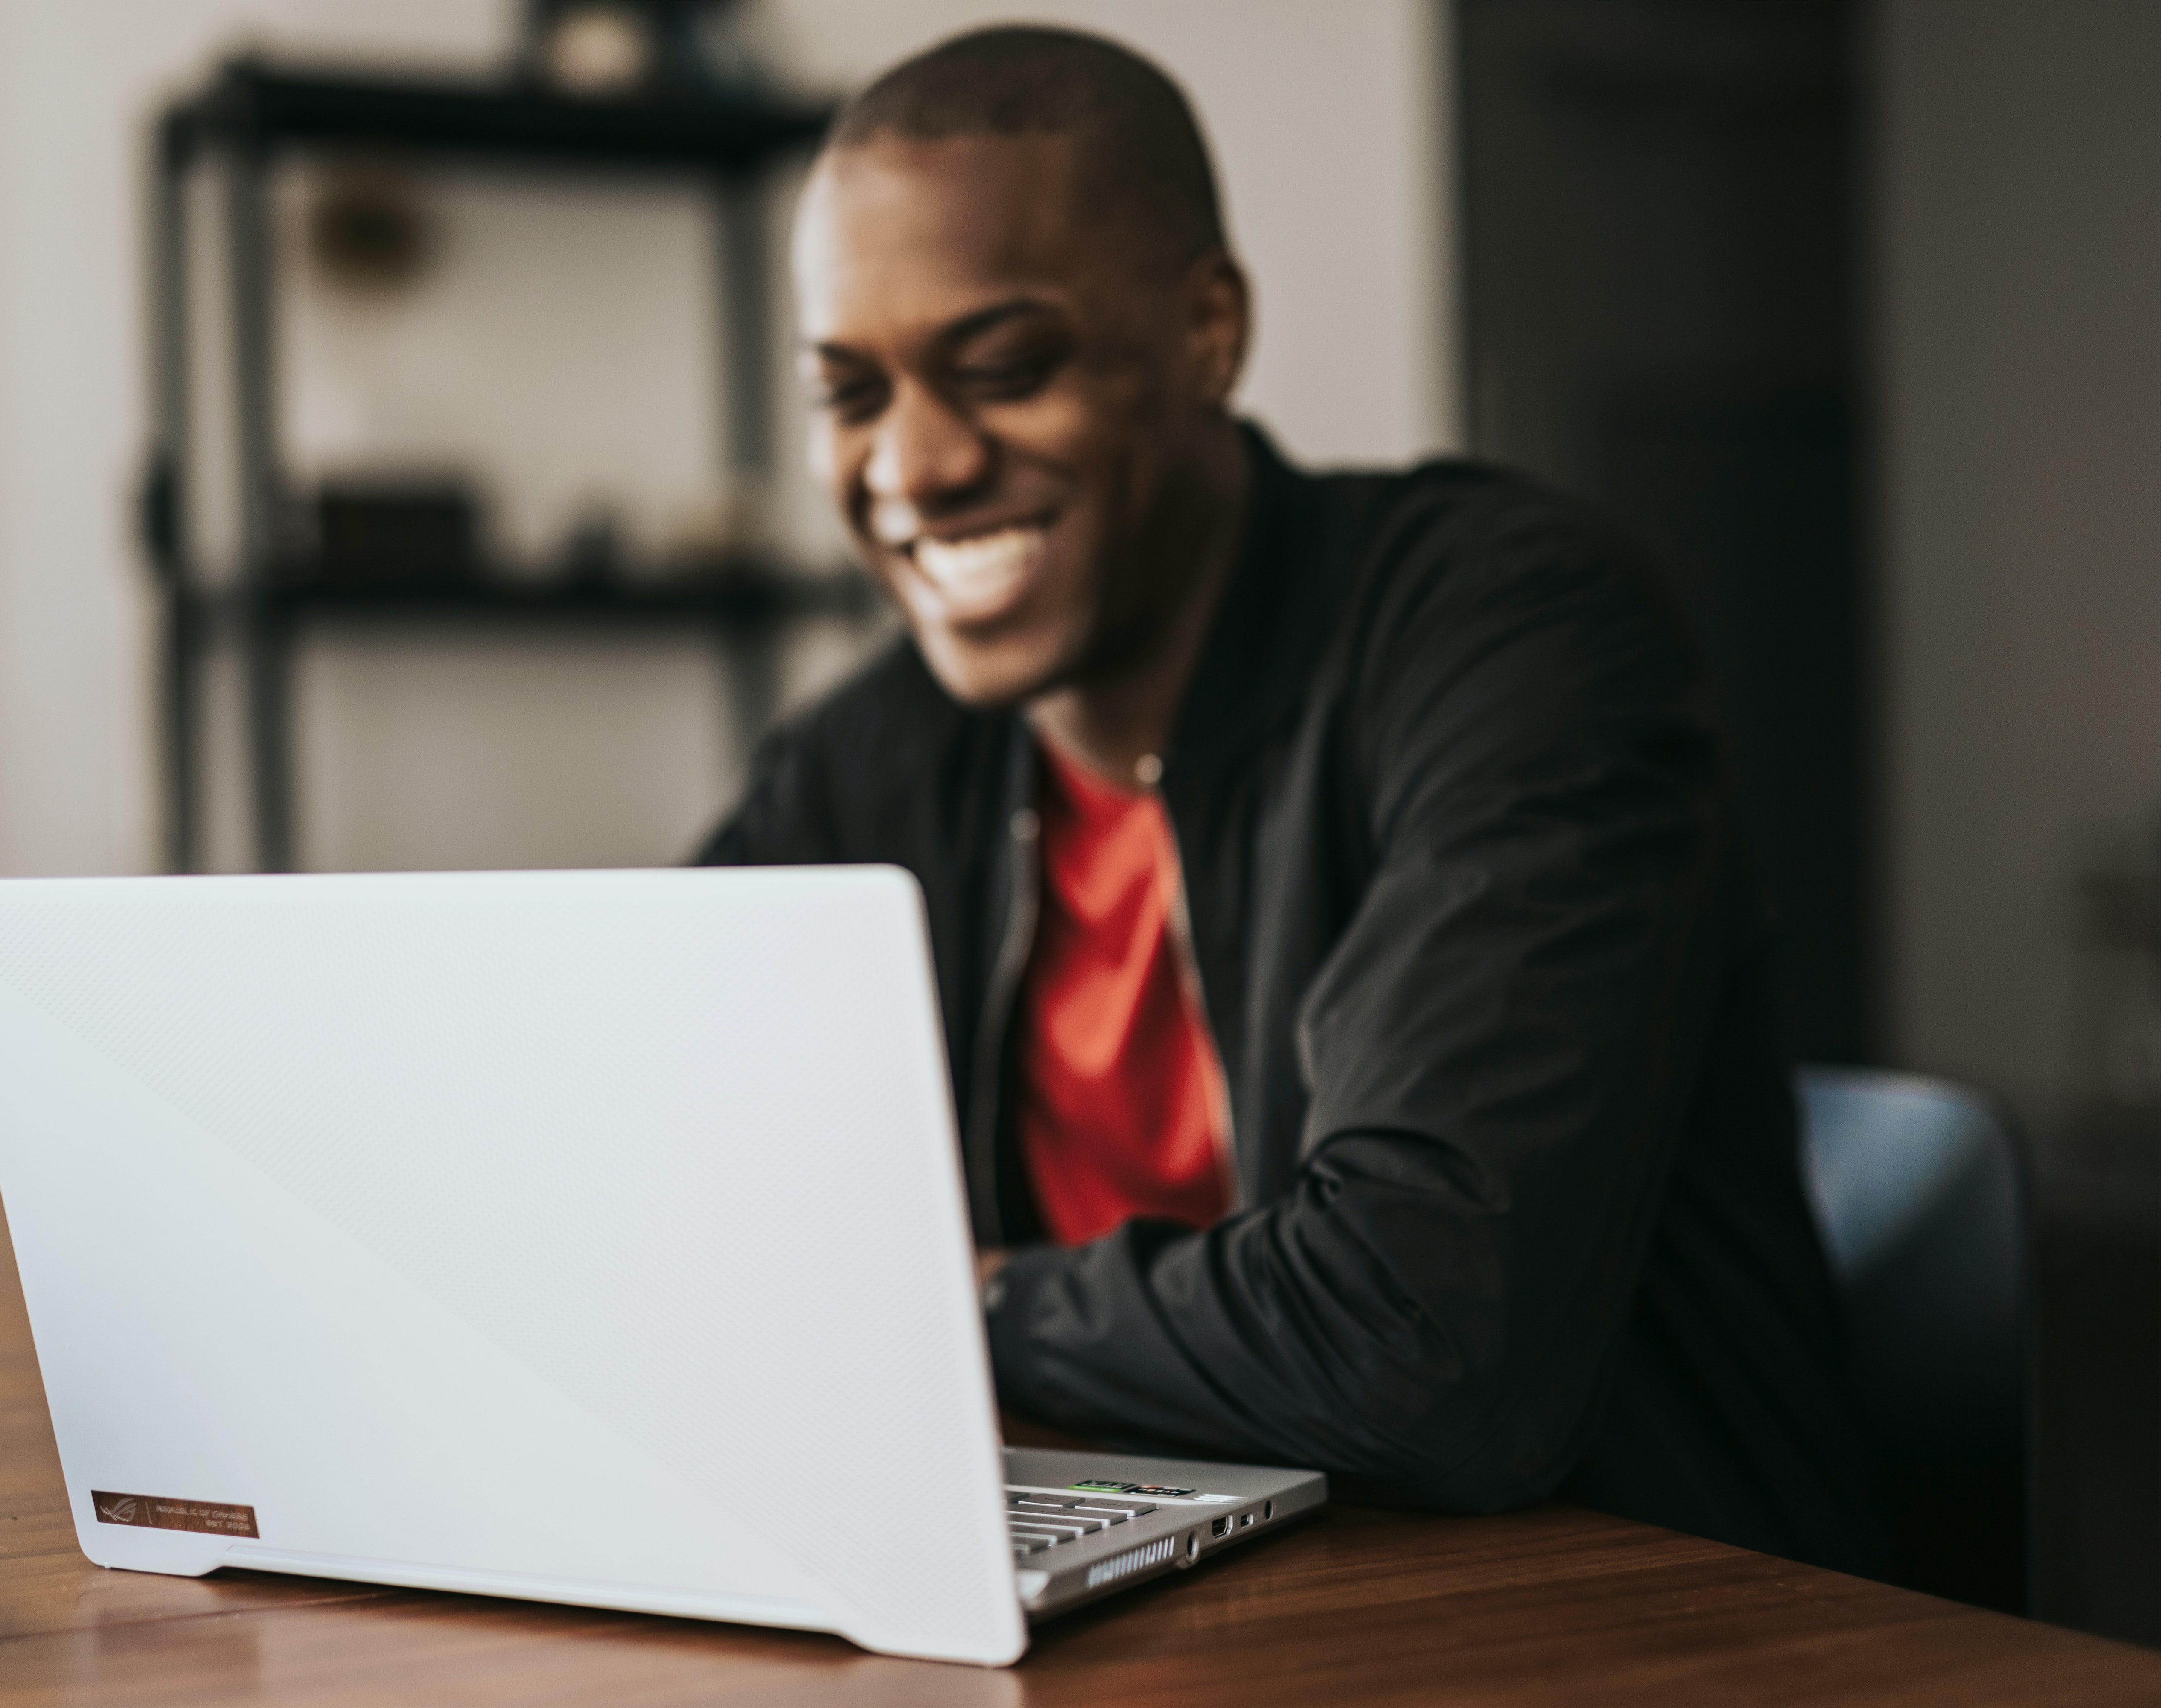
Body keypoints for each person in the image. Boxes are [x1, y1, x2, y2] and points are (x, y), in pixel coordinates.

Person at [701, 24, 1885, 1575]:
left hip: (1622, 1621)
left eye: (1005, 368)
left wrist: (960, 1296)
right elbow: (656, 1181)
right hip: (1182, 1595)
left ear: (1209, 329)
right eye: (849, 394)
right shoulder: (868, 759)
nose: (911, 467)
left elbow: (1420, 1340)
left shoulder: (1514, 634)